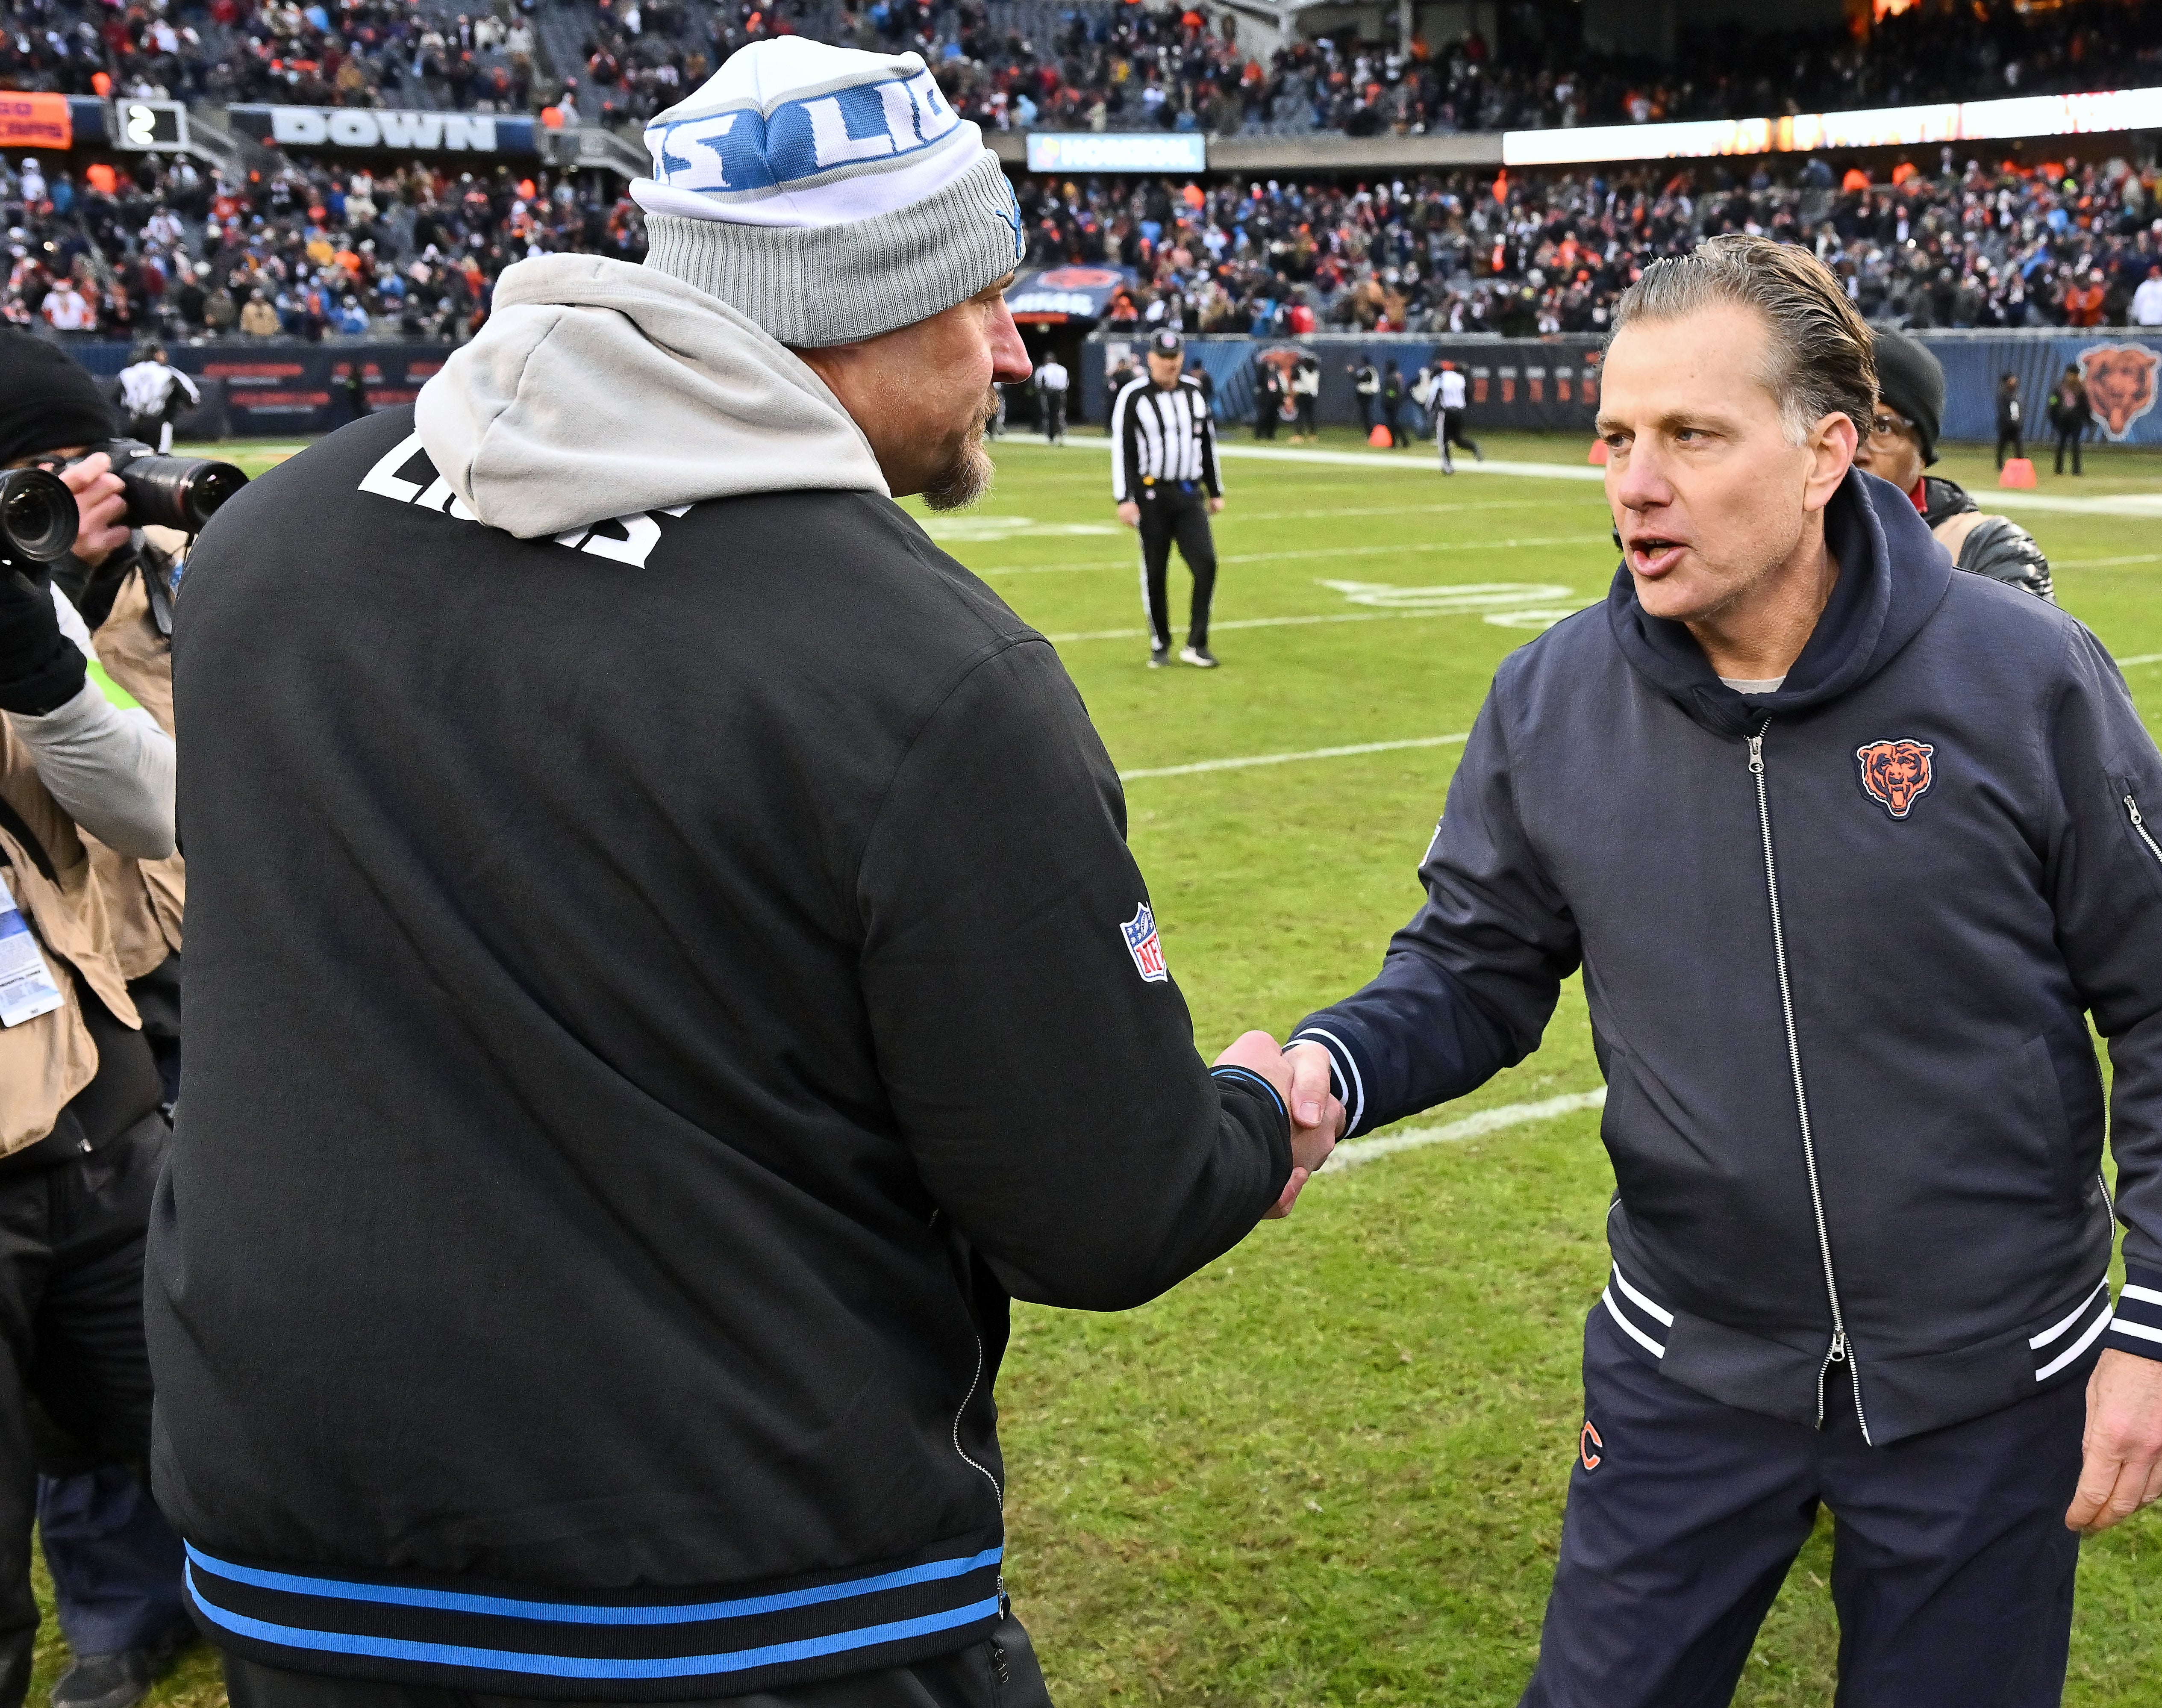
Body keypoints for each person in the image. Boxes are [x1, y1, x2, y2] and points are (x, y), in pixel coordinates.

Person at [150, 41, 1332, 1708]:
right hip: (741, 1601)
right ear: (864, 299)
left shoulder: (271, 545)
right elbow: (1102, 1207)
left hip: (292, 1567)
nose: (1015, 342)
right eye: (982, 295)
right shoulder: (919, 671)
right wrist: (1247, 1111)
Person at [1277, 237, 2162, 1708]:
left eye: (1690, 435)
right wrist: (1332, 1065)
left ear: (1824, 457)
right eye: (1616, 435)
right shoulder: (1550, 701)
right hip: (1687, 1372)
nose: (1633, 480)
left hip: (1988, 1384)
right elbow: (1473, 971)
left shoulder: (2021, 673)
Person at [0, 330, 189, 1708]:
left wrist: (114, 600)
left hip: (139, 1000)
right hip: (79, 1012)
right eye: (26, 476)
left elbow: (190, 793)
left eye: (70, 468)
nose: (58, 497)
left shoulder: (133, 592)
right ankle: (117, 1612)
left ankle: (185, 1599)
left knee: (157, 1370)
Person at [1859, 332, 2054, 601]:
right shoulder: (1792, 538)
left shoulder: (1984, 549)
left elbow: (2021, 640)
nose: (1854, 449)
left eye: (1882, 427)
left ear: (1923, 453)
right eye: (1838, 424)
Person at [1112, 328, 1224, 669]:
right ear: (1150, 359)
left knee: (1205, 563)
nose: (1169, 365)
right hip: (1151, 494)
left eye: (1174, 358)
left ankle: (1197, 643)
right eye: (1163, 358)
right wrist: (1124, 498)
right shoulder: (1133, 395)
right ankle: (1161, 642)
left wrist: (1216, 490)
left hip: (1189, 493)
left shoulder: (1194, 392)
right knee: (1156, 571)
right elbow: (1123, 450)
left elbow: (1207, 443)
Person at [112, 345, 198, 455]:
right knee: (160, 460)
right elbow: (189, 398)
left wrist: (127, 412)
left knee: (133, 458)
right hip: (159, 423)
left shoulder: (127, 373)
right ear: (156, 355)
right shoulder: (168, 373)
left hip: (132, 422)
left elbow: (113, 398)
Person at [1431, 361, 1481, 474]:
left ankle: (1447, 466)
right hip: (1460, 412)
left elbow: (1432, 395)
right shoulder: (1460, 379)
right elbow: (1468, 395)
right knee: (1458, 440)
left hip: (1446, 412)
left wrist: (1429, 408)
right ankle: (1473, 447)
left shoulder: (1440, 379)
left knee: (1443, 441)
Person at [2046, 363, 2089, 475]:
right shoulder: (2059, 387)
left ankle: (2076, 470)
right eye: (2072, 374)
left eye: (2076, 375)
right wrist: (2054, 418)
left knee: (2075, 445)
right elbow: (2053, 403)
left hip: (2076, 421)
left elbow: (2085, 405)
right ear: (2067, 374)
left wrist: (2087, 419)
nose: (2073, 377)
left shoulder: (2081, 389)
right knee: (2061, 444)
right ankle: (2058, 469)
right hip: (2063, 420)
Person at [1033, 349, 1070, 444]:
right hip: (1061, 393)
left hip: (1048, 393)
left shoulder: (1043, 369)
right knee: (1060, 414)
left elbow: (1038, 384)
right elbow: (1066, 383)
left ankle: (1051, 435)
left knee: (1048, 414)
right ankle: (1060, 432)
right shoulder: (1062, 369)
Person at [1993, 371, 2026, 468]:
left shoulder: (2017, 393)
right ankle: (1999, 465)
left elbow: (2020, 408)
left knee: (2018, 446)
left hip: (2016, 425)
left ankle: (2021, 465)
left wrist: (2018, 422)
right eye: (2012, 379)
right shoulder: (2003, 394)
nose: (2014, 380)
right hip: (2006, 426)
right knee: (2003, 445)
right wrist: (2010, 422)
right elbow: (2003, 411)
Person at [1382, 358, 1412, 448]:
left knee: (1392, 424)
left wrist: (1388, 401)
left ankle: (1395, 442)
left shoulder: (1391, 378)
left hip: (1391, 404)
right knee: (1394, 423)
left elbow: (1392, 392)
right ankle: (1403, 441)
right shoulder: (1396, 377)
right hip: (1395, 403)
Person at [1351, 354, 1381, 437]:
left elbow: (1362, 379)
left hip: (1367, 394)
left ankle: (1371, 432)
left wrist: (1352, 373)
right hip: (1363, 394)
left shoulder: (1370, 369)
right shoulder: (1364, 370)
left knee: (1366, 414)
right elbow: (1358, 379)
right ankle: (1369, 431)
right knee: (1364, 414)